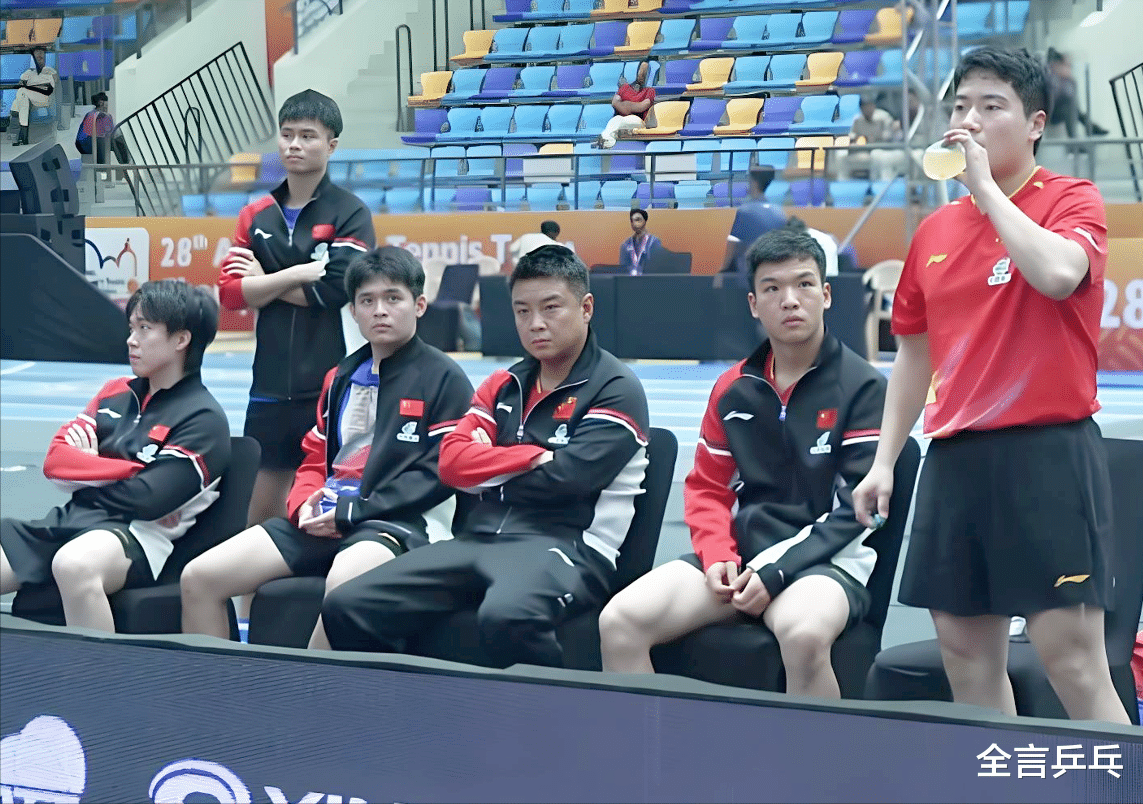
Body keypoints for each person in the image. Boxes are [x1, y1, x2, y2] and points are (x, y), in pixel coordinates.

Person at [851, 47, 1129, 724]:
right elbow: (913, 355)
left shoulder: (1071, 199)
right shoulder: (935, 232)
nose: (968, 121)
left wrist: (987, 193)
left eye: (990, 106)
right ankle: (998, 776)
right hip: (955, 460)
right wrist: (884, 460)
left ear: (1034, 124)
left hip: (1047, 456)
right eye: (960, 106)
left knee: (1072, 660)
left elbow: (1058, 275)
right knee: (967, 661)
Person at [321, 245, 651, 668]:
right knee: (348, 603)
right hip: (476, 540)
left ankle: (547, 710)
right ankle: (408, 704)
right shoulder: (503, 383)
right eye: (522, 311)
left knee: (507, 615)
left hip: (567, 546)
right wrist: (531, 458)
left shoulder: (616, 388)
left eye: (551, 308)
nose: (535, 323)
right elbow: (450, 464)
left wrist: (487, 465)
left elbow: (568, 480)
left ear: (585, 308)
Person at [599, 228, 887, 698]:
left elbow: (857, 509)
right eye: (772, 288)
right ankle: (651, 745)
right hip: (742, 557)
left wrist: (776, 571)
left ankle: (816, 749)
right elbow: (707, 489)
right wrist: (717, 556)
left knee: (803, 635)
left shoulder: (864, 388)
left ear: (826, 295)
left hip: (826, 564)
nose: (789, 300)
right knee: (619, 621)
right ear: (754, 304)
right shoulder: (733, 388)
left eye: (804, 284)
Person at [182, 247, 474, 649]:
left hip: (397, 522)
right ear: (352, 311)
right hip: (325, 515)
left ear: (419, 305)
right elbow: (315, 457)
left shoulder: (445, 379)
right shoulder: (341, 376)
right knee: (200, 577)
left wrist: (354, 511)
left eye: (393, 298)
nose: (380, 311)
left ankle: (308, 689)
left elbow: (438, 473)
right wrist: (303, 505)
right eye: (367, 301)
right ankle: (217, 688)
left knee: (341, 589)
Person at [0, 281, 230, 633]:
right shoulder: (114, 393)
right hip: (74, 518)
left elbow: (150, 500)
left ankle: (98, 670)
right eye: (131, 328)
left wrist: (87, 471)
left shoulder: (203, 419)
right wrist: (133, 470)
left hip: (137, 536)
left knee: (74, 564)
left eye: (144, 328)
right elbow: (56, 462)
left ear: (181, 339)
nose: (131, 340)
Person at [217, 89, 377, 531]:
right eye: (287, 134)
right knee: (256, 512)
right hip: (268, 384)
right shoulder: (255, 214)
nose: (294, 145)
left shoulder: (350, 213)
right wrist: (298, 273)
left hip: (331, 383)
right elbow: (231, 295)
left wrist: (264, 281)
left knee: (319, 503)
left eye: (308, 136)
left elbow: (333, 291)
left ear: (331, 145)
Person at [717, 166, 787, 286]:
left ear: (754, 183)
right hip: (772, 276)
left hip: (747, 276)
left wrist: (721, 273)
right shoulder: (779, 213)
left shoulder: (745, 211)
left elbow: (732, 245)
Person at [838, 91, 904, 182]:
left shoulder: (883, 117)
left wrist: (876, 138)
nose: (868, 109)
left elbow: (889, 136)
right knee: (841, 156)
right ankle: (844, 184)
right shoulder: (857, 120)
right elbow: (852, 137)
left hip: (882, 149)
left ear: (874, 106)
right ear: (861, 108)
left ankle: (877, 185)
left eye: (870, 105)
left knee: (876, 155)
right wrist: (859, 140)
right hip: (864, 150)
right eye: (865, 106)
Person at [594, 60, 655, 149]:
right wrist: (629, 107)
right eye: (641, 71)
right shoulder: (625, 87)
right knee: (616, 119)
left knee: (620, 120)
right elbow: (615, 102)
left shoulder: (650, 91)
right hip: (622, 119)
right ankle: (606, 139)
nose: (642, 75)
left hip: (639, 121)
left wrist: (625, 105)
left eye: (645, 72)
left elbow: (642, 106)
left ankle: (605, 139)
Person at [8, 47, 57, 146]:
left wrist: (30, 88)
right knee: (21, 98)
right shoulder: (29, 73)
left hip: (43, 98)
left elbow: (50, 90)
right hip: (29, 98)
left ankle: (20, 132)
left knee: (21, 94)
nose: (39, 55)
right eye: (37, 53)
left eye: (41, 53)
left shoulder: (50, 71)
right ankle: (22, 135)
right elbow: (20, 84)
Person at [75, 91, 132, 169]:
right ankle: (126, 162)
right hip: (90, 145)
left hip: (82, 144)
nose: (107, 108)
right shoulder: (102, 116)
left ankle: (125, 162)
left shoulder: (90, 114)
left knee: (110, 138)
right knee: (115, 137)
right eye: (106, 105)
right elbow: (111, 132)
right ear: (101, 103)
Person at [619, 208, 661, 275]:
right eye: (632, 221)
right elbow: (623, 268)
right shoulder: (625, 244)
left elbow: (657, 266)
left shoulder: (654, 242)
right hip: (629, 279)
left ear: (644, 221)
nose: (635, 223)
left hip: (649, 279)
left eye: (638, 220)